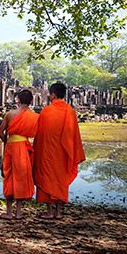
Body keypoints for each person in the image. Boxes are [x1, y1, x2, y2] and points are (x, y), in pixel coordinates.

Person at [33, 82, 85, 219]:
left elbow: (40, 134)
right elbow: (74, 135)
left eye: (50, 94)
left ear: (53, 95)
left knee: (46, 178)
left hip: (47, 152)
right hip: (63, 153)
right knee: (60, 179)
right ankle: (58, 212)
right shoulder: (70, 111)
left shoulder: (46, 111)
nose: (49, 96)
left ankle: (49, 211)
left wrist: (36, 150)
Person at [0, 90, 39, 220]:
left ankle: (9, 213)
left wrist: (8, 141)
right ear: (32, 101)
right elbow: (36, 133)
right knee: (21, 177)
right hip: (23, 147)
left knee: (9, 176)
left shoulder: (10, 114)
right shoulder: (34, 116)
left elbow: (0, 132)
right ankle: (18, 213)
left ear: (18, 100)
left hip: (11, 147)